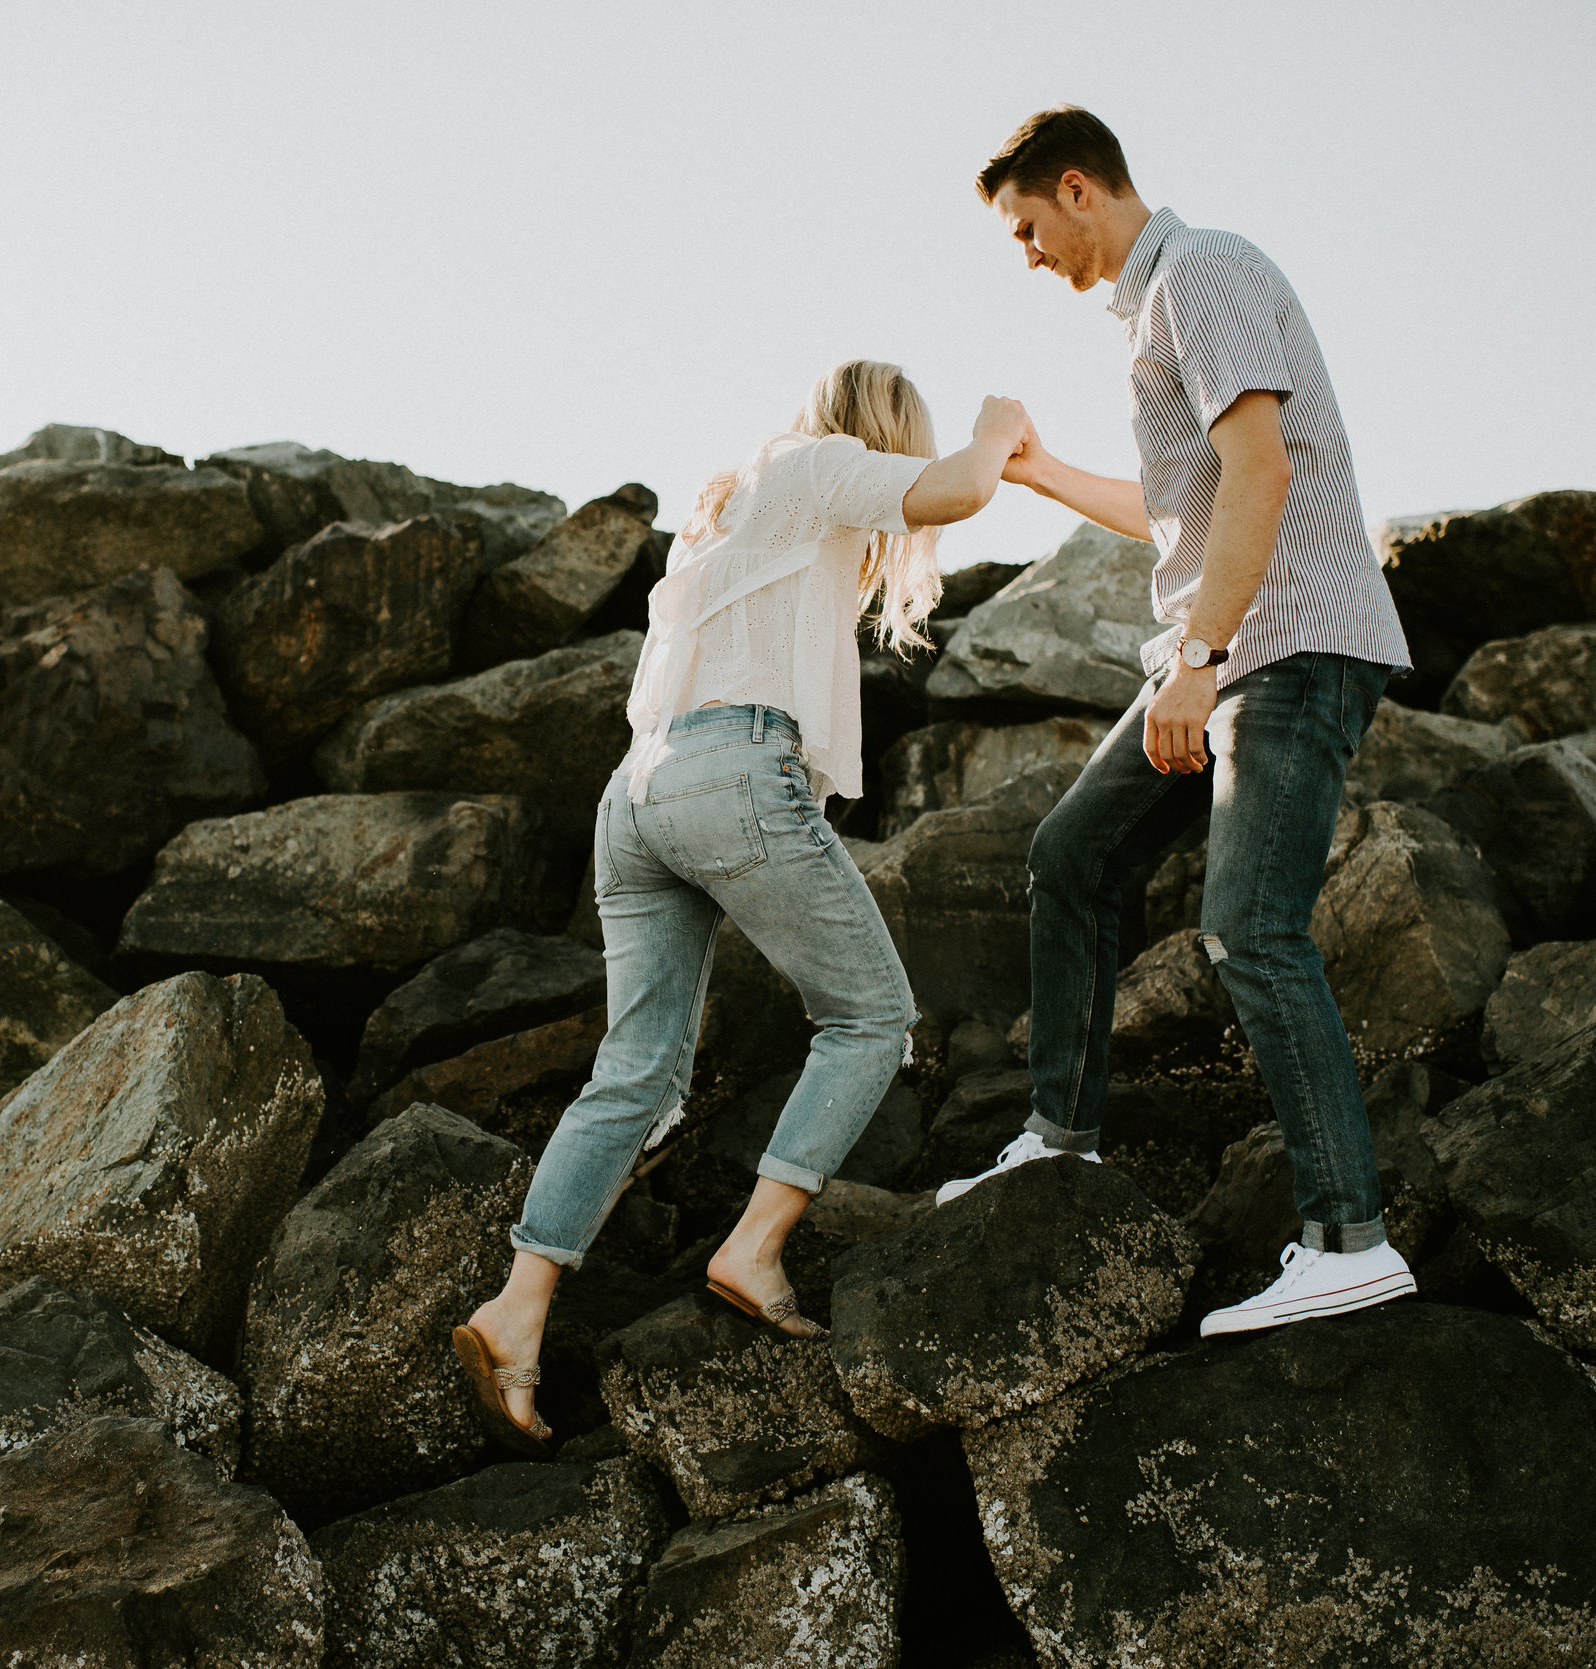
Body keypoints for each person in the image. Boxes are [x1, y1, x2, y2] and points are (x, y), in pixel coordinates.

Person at [454, 362, 1033, 1454]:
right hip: (730, 774)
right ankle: (753, 1247)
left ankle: (516, 1310)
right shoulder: (814, 466)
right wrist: (1000, 431)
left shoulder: (729, 515)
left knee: (636, 1075)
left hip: (636, 796)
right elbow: (956, 488)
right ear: (877, 434)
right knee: (870, 1018)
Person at [936, 106, 1418, 1339]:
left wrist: (1199, 660)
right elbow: (1186, 515)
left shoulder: (1197, 273)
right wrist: (1040, 474)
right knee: (1073, 854)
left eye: (1027, 227)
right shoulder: (1159, 309)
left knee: (1250, 929)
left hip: (1287, 645)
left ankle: (1347, 1239)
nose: (1027, 254)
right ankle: (1060, 1139)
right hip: (1224, 651)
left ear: (1081, 189)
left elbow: (1264, 473)